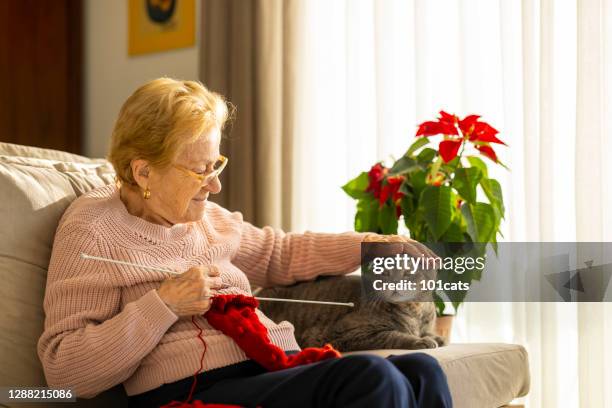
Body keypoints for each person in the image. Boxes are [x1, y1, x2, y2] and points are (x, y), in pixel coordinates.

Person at [37, 78, 453, 408]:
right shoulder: (92, 228)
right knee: (371, 378)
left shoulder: (207, 220)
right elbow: (64, 368)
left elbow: (279, 252)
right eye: (201, 170)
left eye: (216, 164)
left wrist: (372, 244)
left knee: (422, 371)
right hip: (190, 391)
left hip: (268, 367)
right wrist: (163, 305)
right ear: (144, 172)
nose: (215, 184)